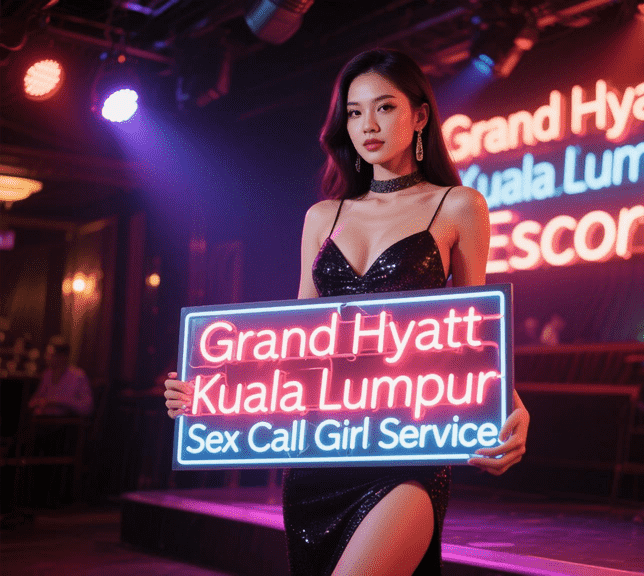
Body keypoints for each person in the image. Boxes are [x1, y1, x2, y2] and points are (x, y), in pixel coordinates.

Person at [165, 49, 529, 576]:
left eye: (384, 107)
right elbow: (295, 344)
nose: (368, 125)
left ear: (420, 116)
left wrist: (511, 407)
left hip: (406, 456)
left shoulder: (458, 206)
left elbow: (478, 335)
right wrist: (209, 391)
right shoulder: (322, 216)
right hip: (318, 460)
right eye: (355, 112)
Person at [28, 338, 93, 417]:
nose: (46, 357)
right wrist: (36, 403)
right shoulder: (47, 374)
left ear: (63, 357)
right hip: (44, 419)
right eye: (46, 354)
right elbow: (37, 398)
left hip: (67, 422)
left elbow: (87, 407)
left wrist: (59, 401)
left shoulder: (78, 376)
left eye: (50, 355)